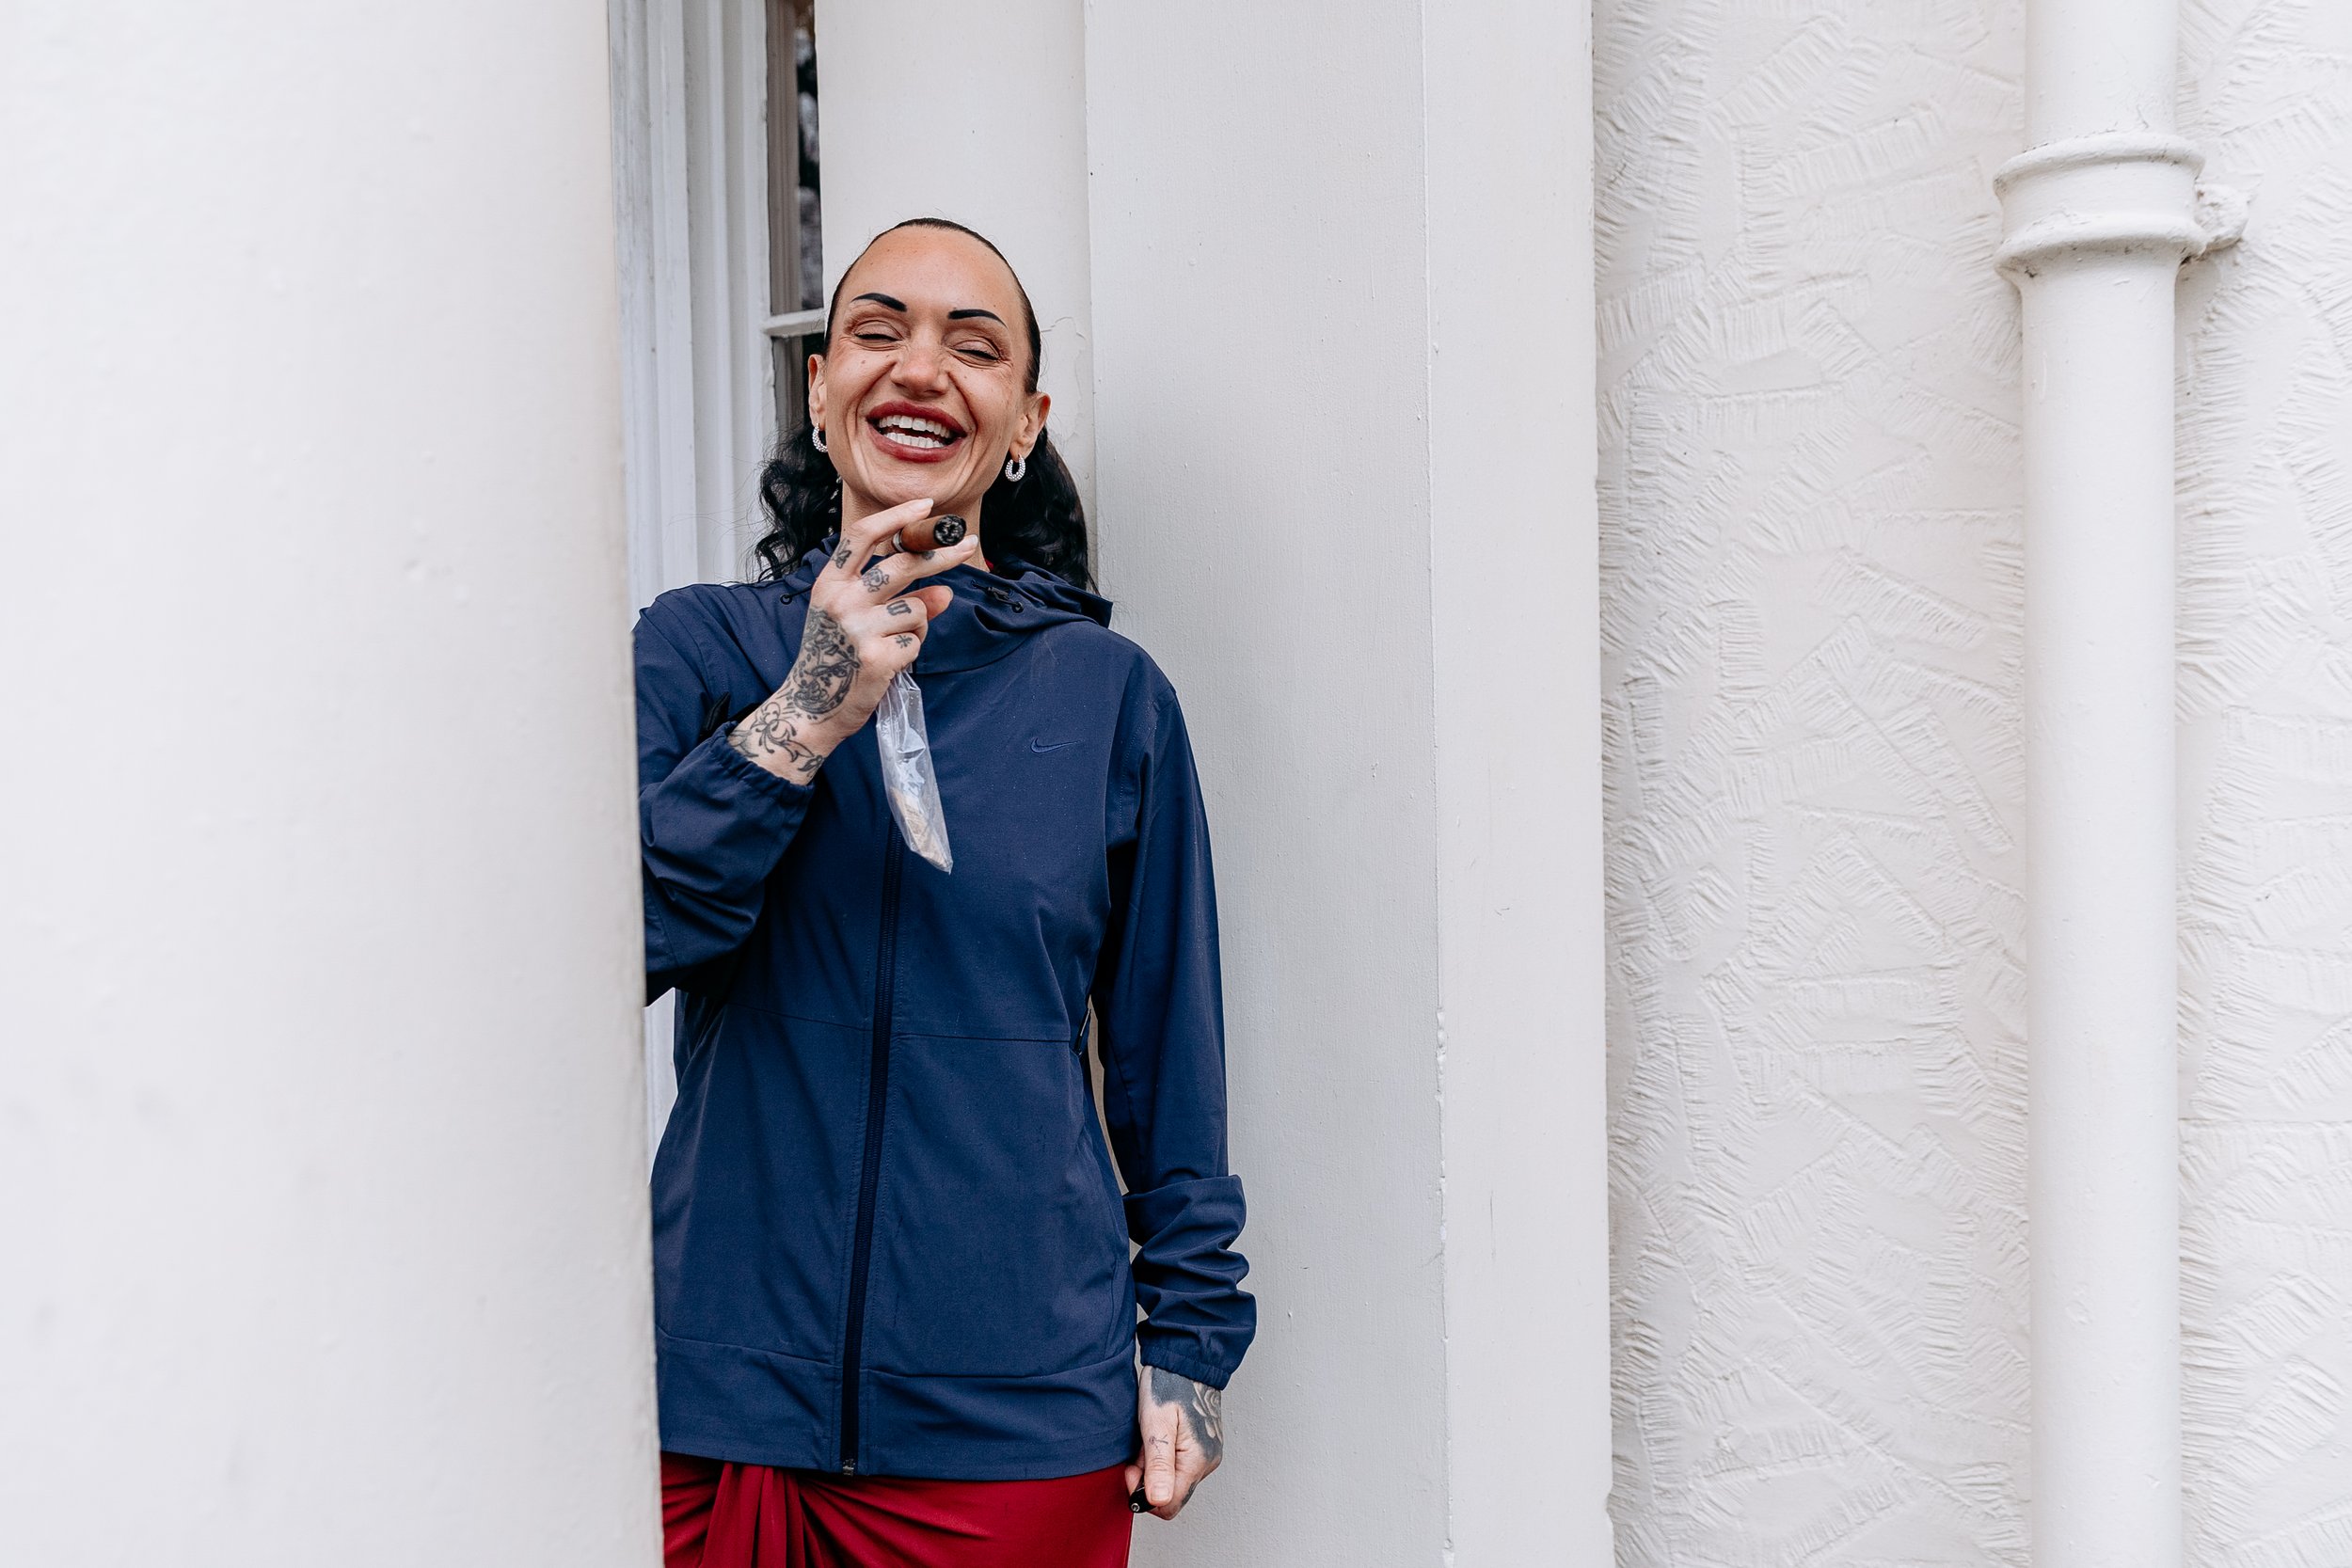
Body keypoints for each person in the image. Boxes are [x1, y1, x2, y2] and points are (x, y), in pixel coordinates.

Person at [636, 217, 1254, 1568]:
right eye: (879, 331)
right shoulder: (697, 650)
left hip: (1010, 1438)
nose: (921, 370)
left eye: (974, 349)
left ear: (1021, 422)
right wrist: (808, 707)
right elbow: (618, 941)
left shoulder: (1108, 701)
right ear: (819, 391)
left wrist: (1193, 1346)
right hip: (719, 1414)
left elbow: (1166, 1055)